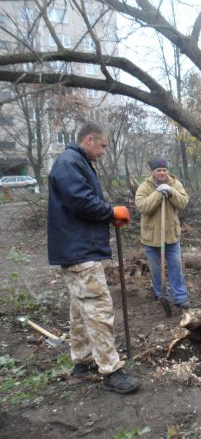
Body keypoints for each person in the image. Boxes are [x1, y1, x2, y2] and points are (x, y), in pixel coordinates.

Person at [47, 123, 141, 394]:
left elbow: (82, 202)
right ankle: (111, 371)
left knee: (80, 310)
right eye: (103, 146)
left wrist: (109, 214)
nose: (104, 151)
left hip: (77, 247)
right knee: (98, 309)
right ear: (89, 140)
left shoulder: (75, 162)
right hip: (80, 249)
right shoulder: (69, 163)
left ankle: (83, 362)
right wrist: (112, 212)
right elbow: (81, 201)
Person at [135, 157, 190, 309]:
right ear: (153, 172)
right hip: (151, 237)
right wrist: (158, 194)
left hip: (171, 235)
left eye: (164, 170)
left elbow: (184, 202)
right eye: (159, 170)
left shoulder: (175, 184)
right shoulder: (145, 187)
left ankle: (180, 297)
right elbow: (143, 207)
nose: (162, 173)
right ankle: (162, 296)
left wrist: (171, 192)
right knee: (156, 270)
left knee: (176, 266)